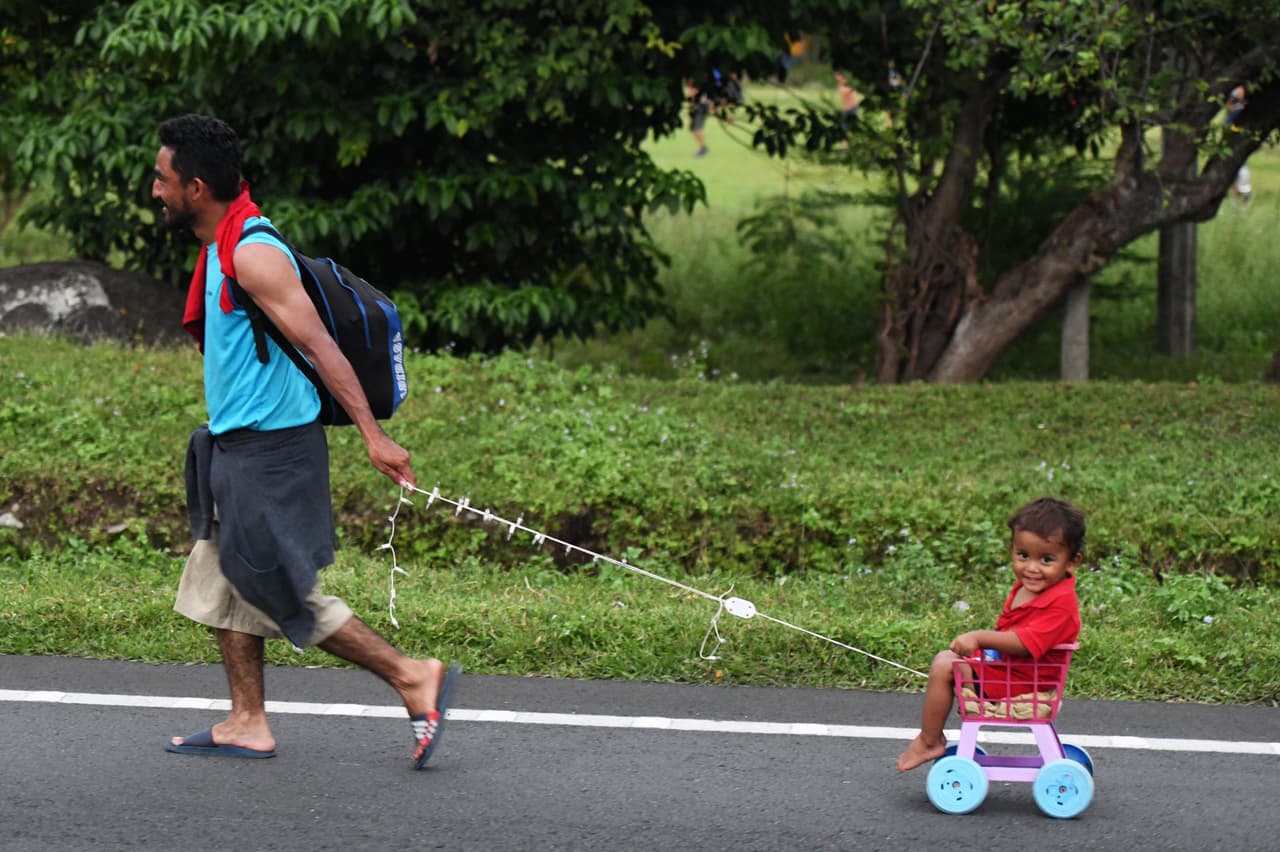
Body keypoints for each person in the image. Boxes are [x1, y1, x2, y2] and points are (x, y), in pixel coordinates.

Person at [151, 113, 460, 769]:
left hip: (273, 451)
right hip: (236, 446)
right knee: (227, 583)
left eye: (162, 178)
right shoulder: (219, 244)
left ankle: (413, 677)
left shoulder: (253, 253)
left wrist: (375, 438)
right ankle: (247, 721)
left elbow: (321, 349)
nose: (156, 190)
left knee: (282, 588)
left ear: (196, 187)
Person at [895, 497, 1084, 772]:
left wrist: (980, 638)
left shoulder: (1061, 604)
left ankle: (929, 740)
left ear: (1072, 562)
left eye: (1046, 559)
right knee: (949, 660)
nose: (1031, 568)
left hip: (1023, 682)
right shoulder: (1031, 587)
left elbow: (1024, 643)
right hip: (1010, 671)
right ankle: (931, 738)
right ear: (1012, 549)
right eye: (1023, 555)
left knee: (944, 665)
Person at [686, 79, 712, 158]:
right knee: (693, 129)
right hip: (696, 108)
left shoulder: (699, 85)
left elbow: (701, 97)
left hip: (701, 109)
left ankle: (703, 148)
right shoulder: (691, 83)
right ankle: (702, 147)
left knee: (697, 129)